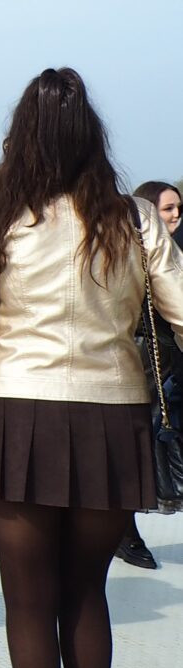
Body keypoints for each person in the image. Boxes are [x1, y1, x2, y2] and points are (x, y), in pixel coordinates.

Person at [0, 68, 183, 668]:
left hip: (15, 408)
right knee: (87, 592)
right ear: (91, 135)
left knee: (28, 601)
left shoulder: (0, 215)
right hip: (111, 415)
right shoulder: (134, 218)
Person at [114, 179, 183, 569]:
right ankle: (125, 532)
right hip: (147, 360)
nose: (175, 215)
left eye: (178, 208)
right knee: (140, 447)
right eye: (168, 208)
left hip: (173, 360)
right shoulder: (132, 248)